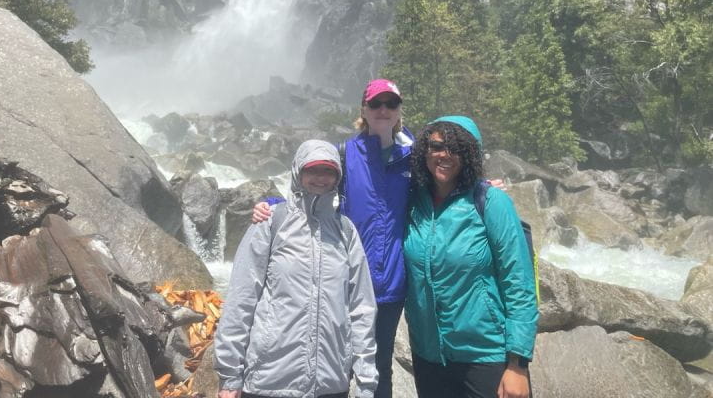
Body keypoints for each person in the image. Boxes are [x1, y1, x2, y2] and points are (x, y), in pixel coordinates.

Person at [253, 79, 413, 398]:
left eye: (390, 104)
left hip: (391, 283)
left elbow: (443, 186)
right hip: (343, 278)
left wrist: (482, 186)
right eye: (375, 103)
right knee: (334, 362)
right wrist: (272, 205)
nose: (383, 109)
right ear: (364, 110)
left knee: (379, 366)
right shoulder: (345, 153)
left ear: (399, 111)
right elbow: (315, 189)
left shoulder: (413, 156)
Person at [214, 139, 378, 398]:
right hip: (268, 380)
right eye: (312, 170)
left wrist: (366, 380)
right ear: (297, 172)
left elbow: (362, 308)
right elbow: (241, 299)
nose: (320, 177)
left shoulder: (345, 231)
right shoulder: (271, 222)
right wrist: (229, 376)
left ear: (337, 177)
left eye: (328, 171)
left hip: (330, 383)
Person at [404, 116, 538, 398]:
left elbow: (519, 283)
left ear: (471, 154)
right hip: (428, 354)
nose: (445, 155)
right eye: (437, 146)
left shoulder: (491, 202)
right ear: (424, 150)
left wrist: (518, 364)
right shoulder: (413, 202)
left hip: (484, 353)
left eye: (457, 148)